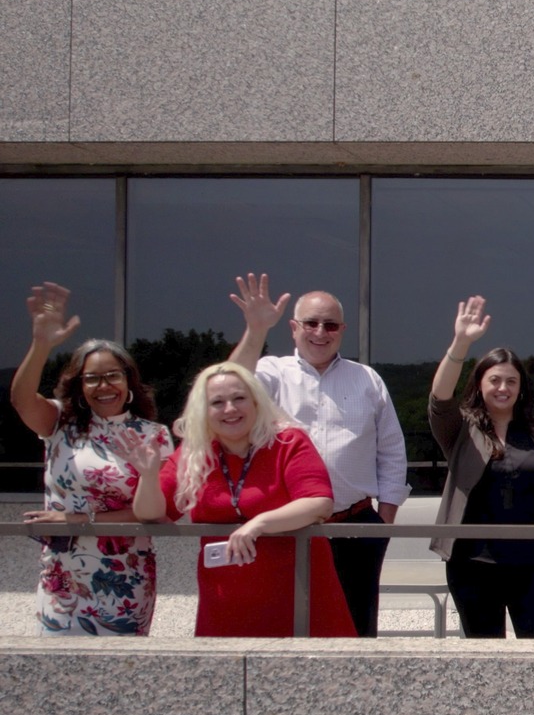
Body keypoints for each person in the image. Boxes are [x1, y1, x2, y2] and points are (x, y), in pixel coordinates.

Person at [228, 273, 409, 638]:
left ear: (342, 330)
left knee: (355, 630)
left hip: (356, 526)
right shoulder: (270, 372)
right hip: (284, 528)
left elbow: (391, 451)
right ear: (294, 328)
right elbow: (231, 383)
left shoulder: (367, 379)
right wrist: (256, 330)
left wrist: (384, 521)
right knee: (286, 627)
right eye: (311, 323)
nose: (320, 332)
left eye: (330, 325)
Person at [125, 362, 355, 637]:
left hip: (298, 595)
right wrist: (148, 476)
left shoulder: (287, 441)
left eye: (239, 398)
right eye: (217, 402)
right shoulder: (194, 453)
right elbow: (151, 514)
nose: (230, 409)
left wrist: (260, 523)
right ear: (203, 411)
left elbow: (319, 502)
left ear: (257, 402)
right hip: (225, 602)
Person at [9, 282, 172, 636]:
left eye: (112, 375)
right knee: (58, 668)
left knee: (121, 673)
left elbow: (159, 511)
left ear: (129, 381)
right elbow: (22, 400)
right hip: (63, 573)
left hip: (126, 573)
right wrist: (41, 345)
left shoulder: (154, 435)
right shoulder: (60, 423)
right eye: (92, 378)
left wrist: (78, 518)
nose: (104, 386)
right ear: (79, 386)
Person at [429, 296, 534, 639]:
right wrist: (461, 343)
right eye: (494, 380)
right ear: (480, 384)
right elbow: (439, 399)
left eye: (511, 381)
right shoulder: (461, 430)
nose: (503, 388)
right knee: (484, 666)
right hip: (473, 566)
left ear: (521, 387)